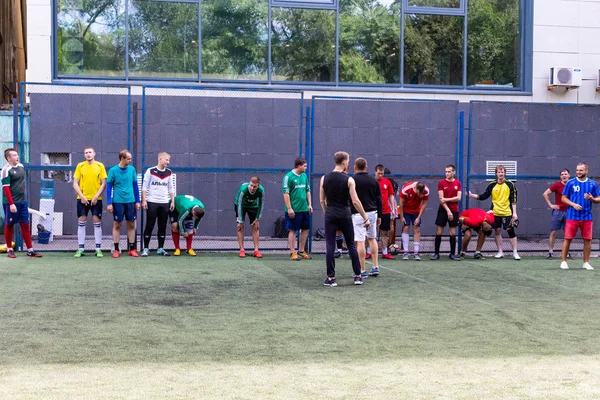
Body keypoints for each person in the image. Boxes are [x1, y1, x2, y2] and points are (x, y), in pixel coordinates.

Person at [319, 152, 371, 286]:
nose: (348, 163)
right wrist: (365, 217)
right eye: (348, 161)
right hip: (345, 214)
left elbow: (321, 200)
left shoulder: (324, 178)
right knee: (351, 245)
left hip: (330, 214)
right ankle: (358, 276)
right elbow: (355, 201)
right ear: (344, 162)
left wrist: (327, 213)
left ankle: (331, 278)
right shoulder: (349, 179)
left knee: (330, 245)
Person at [468, 165, 520, 260]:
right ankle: (500, 252)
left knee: (511, 232)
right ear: (496, 174)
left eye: (502, 172)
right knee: (497, 231)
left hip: (507, 212)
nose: (501, 174)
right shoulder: (492, 185)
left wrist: (514, 213)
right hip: (495, 213)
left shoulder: (510, 184)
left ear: (505, 173)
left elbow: (514, 199)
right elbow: (484, 196)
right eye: (499, 172)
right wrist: (472, 195)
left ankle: (515, 252)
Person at [1, 148, 42, 258]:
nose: (17, 157)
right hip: (10, 203)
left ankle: (30, 250)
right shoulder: (5, 170)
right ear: (8, 158)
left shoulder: (21, 167)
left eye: (17, 155)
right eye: (14, 155)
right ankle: (9, 250)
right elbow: (6, 188)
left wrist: (22, 198)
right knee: (9, 225)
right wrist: (11, 204)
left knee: (25, 224)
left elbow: (21, 183)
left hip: (22, 201)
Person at [559, 162, 600, 270]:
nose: (578, 172)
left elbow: (598, 199)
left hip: (587, 217)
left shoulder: (592, 184)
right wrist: (573, 204)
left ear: (586, 171)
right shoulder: (570, 183)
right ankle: (563, 261)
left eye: (581, 170)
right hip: (572, 216)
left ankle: (586, 262)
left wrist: (592, 199)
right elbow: (563, 198)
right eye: (577, 170)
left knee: (587, 240)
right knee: (568, 238)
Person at [72, 146, 107, 258]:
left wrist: (96, 196)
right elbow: (75, 183)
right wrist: (81, 196)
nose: (88, 154)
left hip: (96, 200)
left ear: (94, 153)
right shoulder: (80, 166)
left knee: (97, 223)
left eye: (90, 152)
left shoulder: (100, 166)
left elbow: (103, 183)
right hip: (82, 199)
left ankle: (98, 249)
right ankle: (81, 248)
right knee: (81, 223)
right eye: (86, 152)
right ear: (84, 154)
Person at [106, 150, 141, 258]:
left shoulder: (132, 170)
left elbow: (135, 186)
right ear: (122, 158)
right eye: (128, 158)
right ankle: (116, 249)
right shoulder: (113, 170)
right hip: (117, 202)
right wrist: (109, 203)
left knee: (131, 225)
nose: (130, 160)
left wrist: (138, 201)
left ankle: (132, 249)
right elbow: (108, 188)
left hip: (130, 202)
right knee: (117, 225)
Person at [352, 158, 382, 278]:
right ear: (366, 167)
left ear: (355, 167)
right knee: (372, 238)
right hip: (372, 213)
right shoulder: (373, 180)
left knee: (360, 241)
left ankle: (362, 270)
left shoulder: (352, 180)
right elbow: (379, 199)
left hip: (358, 214)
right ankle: (375, 267)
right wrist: (379, 215)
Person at [141, 152, 175, 257]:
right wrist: (144, 200)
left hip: (164, 203)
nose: (168, 162)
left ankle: (160, 248)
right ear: (160, 159)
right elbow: (144, 186)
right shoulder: (150, 171)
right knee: (150, 225)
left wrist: (172, 201)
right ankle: (145, 248)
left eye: (169, 160)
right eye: (167, 159)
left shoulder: (169, 172)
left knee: (162, 226)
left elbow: (171, 188)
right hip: (152, 202)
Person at [282, 157, 312, 261]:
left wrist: (309, 204)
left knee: (306, 229)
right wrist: (290, 208)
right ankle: (292, 252)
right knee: (293, 230)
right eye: (305, 166)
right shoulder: (288, 177)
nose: (306, 168)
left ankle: (301, 251)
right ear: (299, 166)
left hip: (304, 208)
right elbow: (286, 194)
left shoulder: (304, 176)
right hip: (294, 210)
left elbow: (307, 190)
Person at [432, 165, 462, 261]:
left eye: (449, 171)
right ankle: (436, 254)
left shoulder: (458, 183)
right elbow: (441, 200)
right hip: (443, 210)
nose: (447, 173)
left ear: (454, 172)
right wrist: (448, 211)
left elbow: (458, 198)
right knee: (439, 232)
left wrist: (447, 199)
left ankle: (452, 254)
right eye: (446, 171)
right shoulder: (441, 183)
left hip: (455, 210)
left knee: (453, 232)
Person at [542, 169, 571, 259]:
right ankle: (550, 252)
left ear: (569, 175)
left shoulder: (572, 185)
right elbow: (545, 194)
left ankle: (567, 252)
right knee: (553, 232)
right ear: (560, 176)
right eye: (562, 174)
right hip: (558, 212)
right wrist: (551, 205)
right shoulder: (557, 185)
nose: (564, 176)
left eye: (565, 174)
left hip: (569, 211)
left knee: (568, 233)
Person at [399, 181, 430, 260]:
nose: (419, 195)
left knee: (417, 229)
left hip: (416, 211)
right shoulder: (406, 188)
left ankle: (416, 253)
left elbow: (424, 204)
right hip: (406, 210)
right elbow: (401, 203)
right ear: (415, 188)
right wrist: (402, 217)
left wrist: (419, 217)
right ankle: (405, 252)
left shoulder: (426, 190)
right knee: (406, 228)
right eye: (418, 193)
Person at [235, 176, 265, 258]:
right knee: (240, 227)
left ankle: (256, 250)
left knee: (255, 227)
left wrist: (257, 219)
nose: (252, 188)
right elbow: (239, 204)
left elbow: (261, 204)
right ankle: (241, 250)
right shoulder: (243, 189)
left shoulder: (261, 190)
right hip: (241, 205)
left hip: (253, 206)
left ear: (258, 185)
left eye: (254, 186)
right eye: (251, 185)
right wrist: (240, 221)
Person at [374, 164, 396, 260]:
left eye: (382, 174)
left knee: (384, 232)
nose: (380, 175)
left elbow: (391, 195)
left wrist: (394, 208)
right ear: (375, 172)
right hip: (373, 211)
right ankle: (369, 252)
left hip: (385, 211)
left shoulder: (387, 182)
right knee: (370, 233)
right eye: (379, 173)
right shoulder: (372, 182)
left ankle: (385, 252)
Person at [384, 168, 400, 249]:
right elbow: (396, 194)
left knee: (384, 225)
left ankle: (386, 243)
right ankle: (389, 243)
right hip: (393, 201)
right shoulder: (395, 183)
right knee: (391, 223)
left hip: (386, 201)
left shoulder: (385, 182)